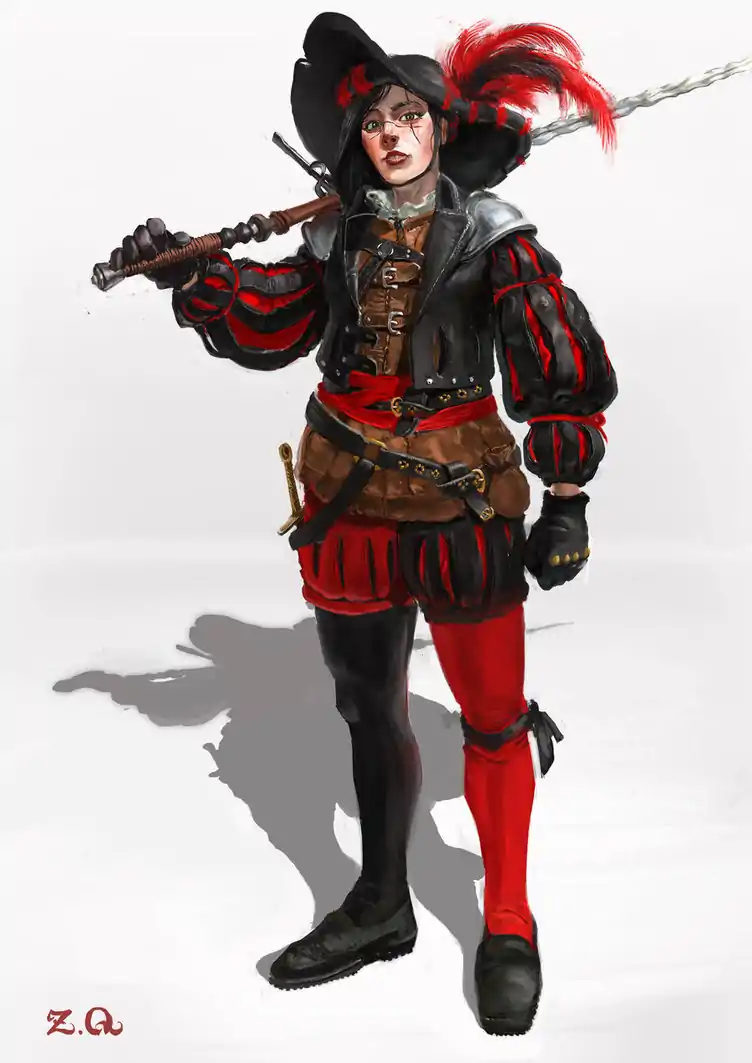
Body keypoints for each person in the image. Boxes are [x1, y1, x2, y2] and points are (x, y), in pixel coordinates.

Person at [106, 12, 618, 1036]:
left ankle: (506, 921)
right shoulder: (331, 235)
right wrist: (194, 273)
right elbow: (274, 324)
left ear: (439, 127)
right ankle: (382, 903)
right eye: (375, 121)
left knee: (491, 716)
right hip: (346, 505)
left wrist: (565, 499)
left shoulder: (496, 236)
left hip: (464, 505)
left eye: (408, 116)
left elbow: (550, 357)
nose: (391, 135)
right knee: (366, 706)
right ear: (356, 140)